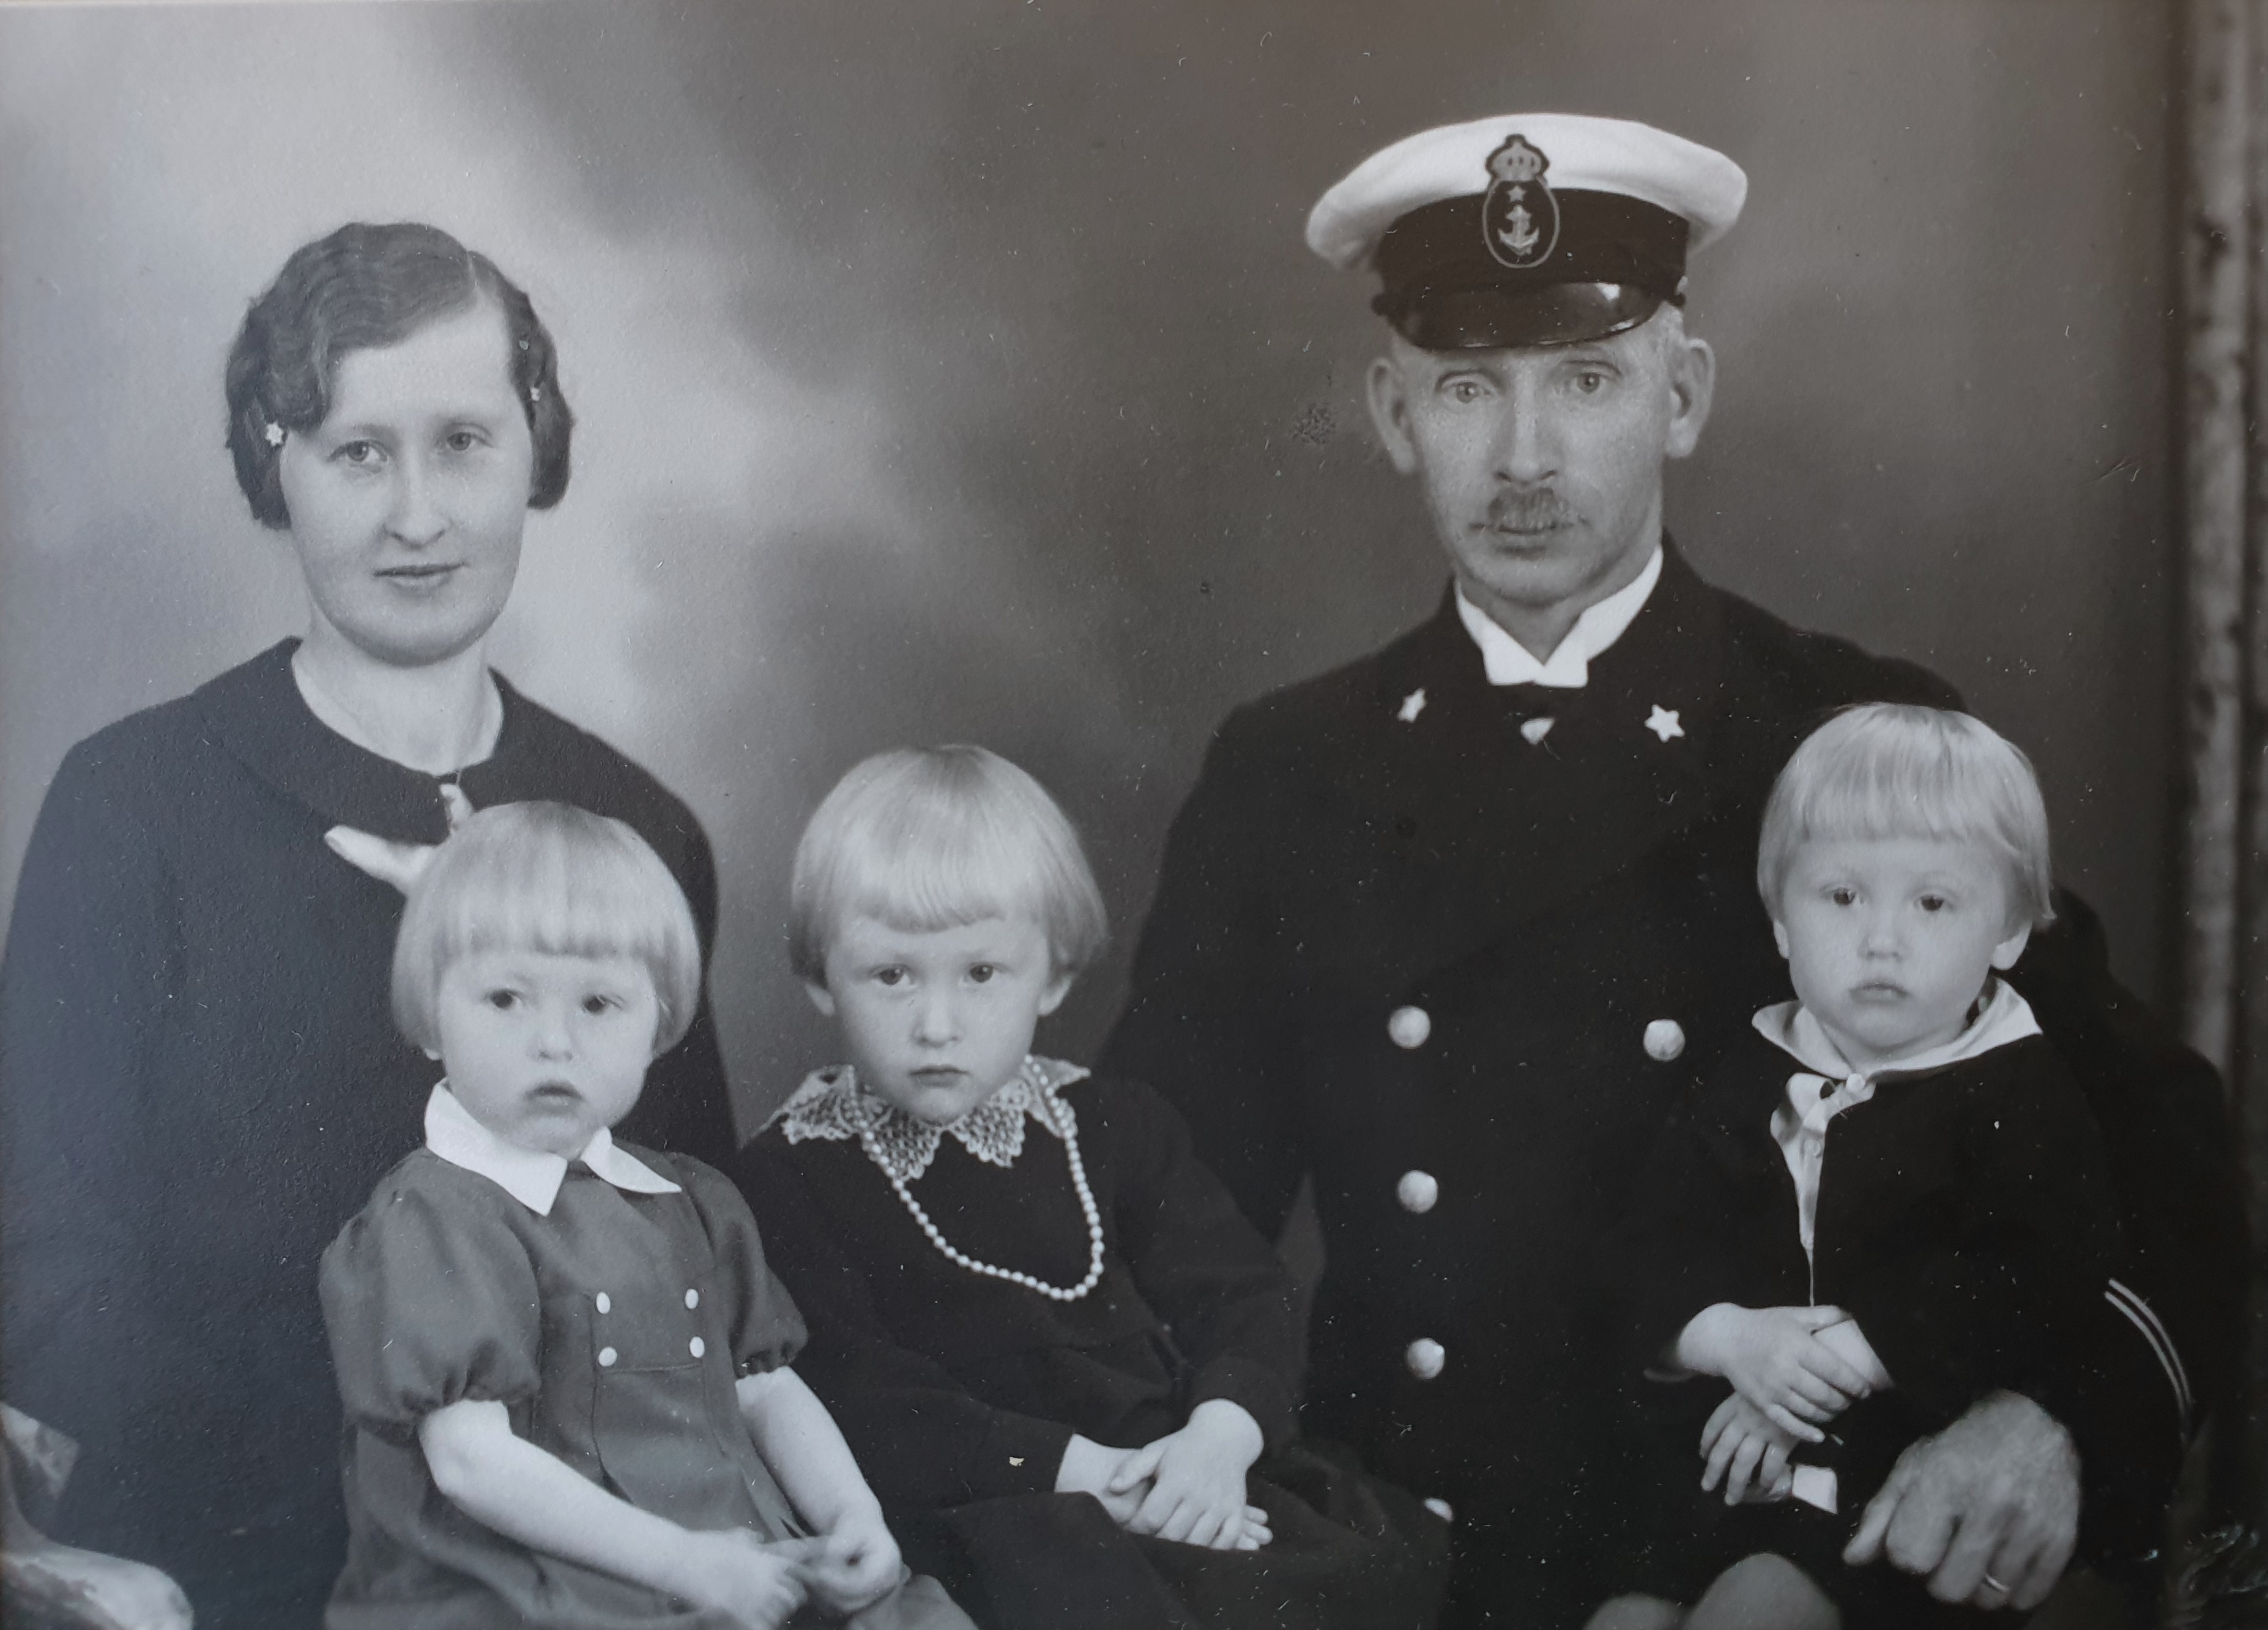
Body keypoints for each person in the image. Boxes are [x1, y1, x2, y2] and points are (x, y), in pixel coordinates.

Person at [1101, 113, 2242, 1627]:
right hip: (1403, 1550)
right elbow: (1157, 1210)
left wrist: (2059, 1421)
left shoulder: (1846, 734)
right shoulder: (1285, 774)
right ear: (1392, 412)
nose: (1524, 457)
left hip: (1762, 1545)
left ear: (1683, 395)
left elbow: (2159, 1147)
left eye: (1587, 380)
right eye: (1467, 387)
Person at [0, 222, 739, 1624]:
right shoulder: (133, 803)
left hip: (607, 1532)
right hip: (243, 1526)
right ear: (274, 463)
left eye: (462, 443)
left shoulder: (634, 825)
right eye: (358, 453)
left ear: (536, 451)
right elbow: (49, 1268)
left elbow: (693, 1238)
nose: (417, 516)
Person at [737, 747, 1451, 1630]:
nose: (936, 1025)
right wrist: (1092, 1476)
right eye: (892, 975)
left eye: (981, 974)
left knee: (1350, 1572)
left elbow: (1243, 1297)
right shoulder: (786, 1177)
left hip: (1180, 1473)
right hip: (986, 1512)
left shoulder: (1116, 1126)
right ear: (820, 980)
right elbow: (866, 1400)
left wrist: (1218, 1439)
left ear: (1055, 977)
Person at [319, 802, 972, 1630]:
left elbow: (766, 1391)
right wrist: (687, 1564)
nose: (554, 1041)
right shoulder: (432, 1219)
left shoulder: (687, 1202)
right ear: (430, 1019)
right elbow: (471, 1465)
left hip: (726, 1560)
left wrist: (853, 1516)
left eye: (598, 1004)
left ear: (657, 1028)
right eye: (506, 998)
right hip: (533, 1593)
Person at [1601, 705, 2127, 1630]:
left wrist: (1834, 1362)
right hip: (1722, 1472)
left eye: (1933, 904)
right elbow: (1652, 1242)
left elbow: (2040, 1276)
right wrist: (1727, 1339)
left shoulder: (2018, 1092)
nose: (1882, 939)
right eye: (1842, 897)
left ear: (2007, 932)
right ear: (1781, 921)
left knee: (1755, 1612)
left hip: (1887, 1487)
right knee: (1625, 1619)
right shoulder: (1749, 1067)